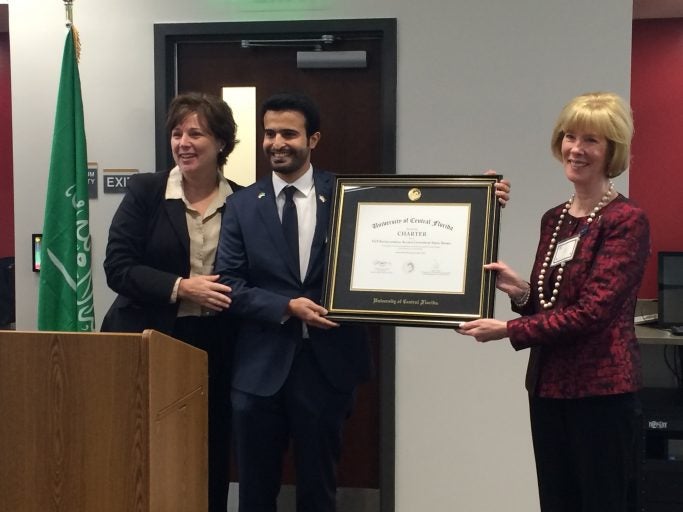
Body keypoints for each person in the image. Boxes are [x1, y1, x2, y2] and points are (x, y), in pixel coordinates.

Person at [214, 92, 511, 511]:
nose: (277, 142)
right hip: (259, 373)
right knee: (255, 493)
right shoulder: (241, 205)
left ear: (313, 139)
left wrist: (483, 200)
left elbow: (423, 217)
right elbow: (229, 284)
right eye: (269, 133)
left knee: (320, 490)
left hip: (327, 369)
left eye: (288, 133)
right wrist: (286, 307)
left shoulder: (351, 195)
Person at [457, 91, 650, 512]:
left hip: (601, 393)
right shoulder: (556, 218)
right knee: (557, 502)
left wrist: (508, 330)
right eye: (569, 136)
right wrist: (522, 291)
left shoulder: (625, 220)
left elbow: (593, 313)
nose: (576, 149)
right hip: (548, 388)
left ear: (611, 150)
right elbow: (554, 303)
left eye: (591, 140)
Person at [101, 92, 240, 512]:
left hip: (215, 343)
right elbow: (118, 268)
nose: (183, 142)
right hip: (147, 339)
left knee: (210, 447)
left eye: (195, 133)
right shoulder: (146, 191)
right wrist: (182, 286)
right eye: (177, 133)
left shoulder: (245, 201)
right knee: (142, 446)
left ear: (221, 142)